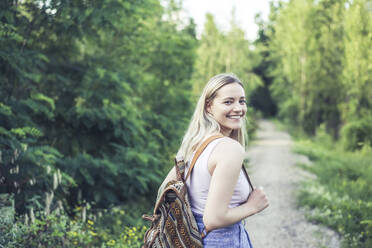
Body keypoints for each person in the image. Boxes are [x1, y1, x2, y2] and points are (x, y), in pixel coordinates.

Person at [161, 73, 269, 247]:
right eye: (228, 102)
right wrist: (253, 206)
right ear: (209, 107)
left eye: (242, 101)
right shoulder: (229, 149)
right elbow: (213, 219)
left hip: (192, 239)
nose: (238, 108)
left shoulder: (195, 144)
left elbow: (164, 192)